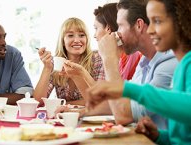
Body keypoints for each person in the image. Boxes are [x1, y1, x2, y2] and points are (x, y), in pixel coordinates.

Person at [86, 0, 191, 144]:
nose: (150, 30)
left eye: (157, 21)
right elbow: (182, 139)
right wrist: (158, 136)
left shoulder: (181, 63)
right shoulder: (180, 66)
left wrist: (125, 86)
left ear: (180, 21)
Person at [33, 17, 105, 106]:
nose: (77, 40)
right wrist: (47, 68)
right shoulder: (57, 63)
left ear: (87, 39)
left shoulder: (98, 58)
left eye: (82, 35)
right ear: (63, 41)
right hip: (63, 118)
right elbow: (37, 102)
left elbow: (100, 100)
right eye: (70, 35)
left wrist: (62, 104)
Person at [94, 3, 141, 81]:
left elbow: (114, 91)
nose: (94, 35)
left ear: (108, 28)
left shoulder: (130, 57)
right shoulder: (121, 56)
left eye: (96, 28)